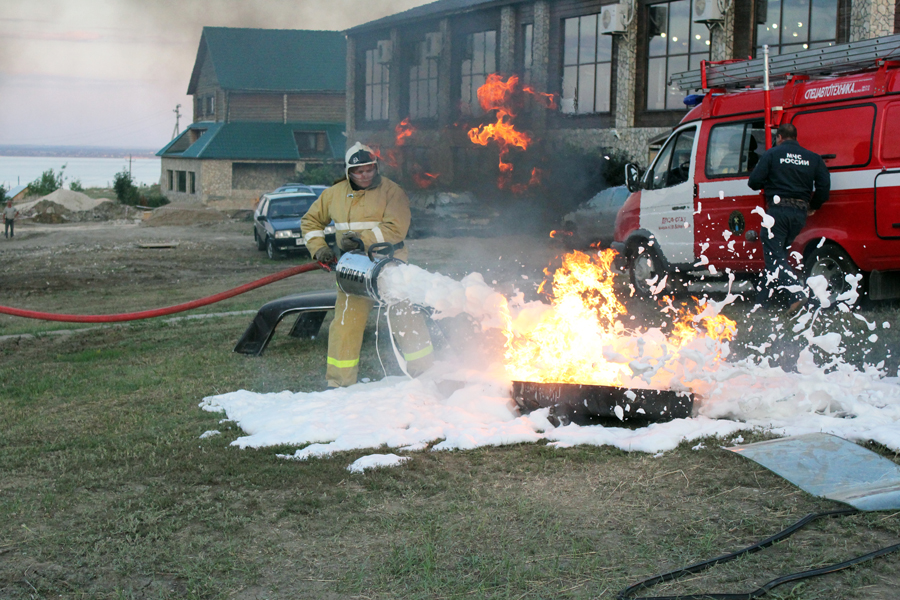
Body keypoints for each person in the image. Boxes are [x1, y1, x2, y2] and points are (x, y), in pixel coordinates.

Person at [300, 142, 434, 388]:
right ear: (348, 171)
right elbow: (310, 222)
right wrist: (318, 248)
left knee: (405, 318)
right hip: (354, 268)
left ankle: (425, 374)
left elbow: (396, 228)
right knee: (345, 324)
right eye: (359, 171)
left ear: (376, 167)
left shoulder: (392, 191)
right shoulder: (333, 194)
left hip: (390, 266)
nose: (365, 175)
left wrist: (363, 240)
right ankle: (339, 383)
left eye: (369, 169)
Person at [748, 123, 830, 313]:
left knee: (774, 258)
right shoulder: (813, 158)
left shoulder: (772, 154)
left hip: (777, 212)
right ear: (795, 137)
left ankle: (797, 295)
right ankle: (762, 303)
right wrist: (813, 206)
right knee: (778, 255)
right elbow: (824, 188)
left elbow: (754, 182)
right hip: (799, 214)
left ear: (779, 137)